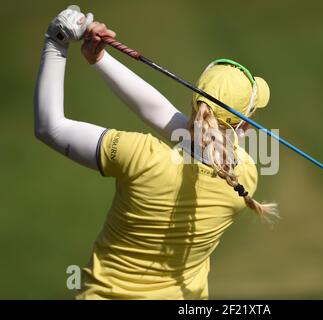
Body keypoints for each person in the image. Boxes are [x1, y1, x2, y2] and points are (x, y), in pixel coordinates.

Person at [34, 6, 277, 299]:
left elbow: (50, 128)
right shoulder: (245, 176)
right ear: (243, 127)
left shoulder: (140, 156)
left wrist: (56, 39)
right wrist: (99, 59)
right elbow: (161, 114)